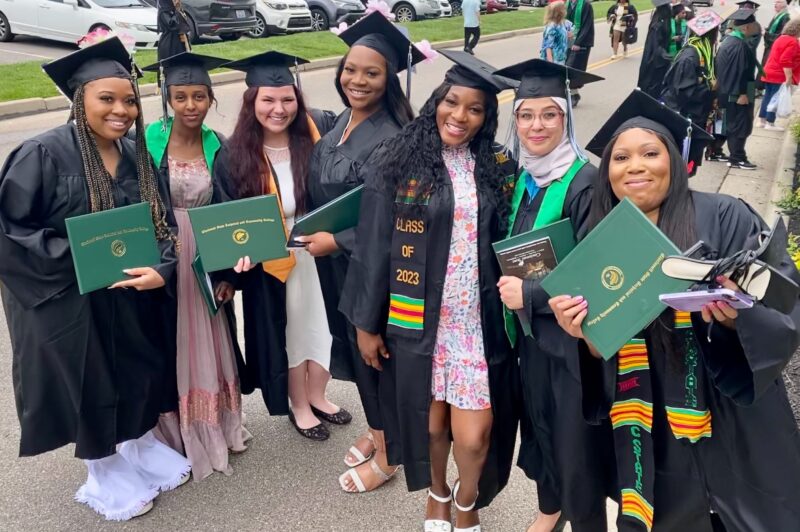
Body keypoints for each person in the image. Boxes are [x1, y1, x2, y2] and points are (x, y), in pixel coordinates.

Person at [555, 87, 800, 531]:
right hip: (651, 428)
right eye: (620, 158)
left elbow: (783, 298)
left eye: (650, 153)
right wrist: (587, 341)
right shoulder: (600, 247)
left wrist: (736, 318)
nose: (635, 167)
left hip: (731, 417)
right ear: (607, 172)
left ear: (674, 159)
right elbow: (600, 355)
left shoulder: (725, 216)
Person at [0, 36, 190, 521]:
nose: (121, 109)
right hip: (65, 301)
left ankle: (138, 444)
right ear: (79, 98)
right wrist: (84, 259)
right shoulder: (41, 154)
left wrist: (162, 269)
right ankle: (102, 468)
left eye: (129, 99)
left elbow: (161, 223)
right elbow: (11, 231)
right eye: (106, 98)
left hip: (126, 294)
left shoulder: (134, 155)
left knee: (134, 369)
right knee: (86, 380)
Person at [340, 49, 519, 532]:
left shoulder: (497, 166)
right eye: (452, 102)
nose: (459, 116)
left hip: (473, 323)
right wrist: (365, 323)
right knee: (432, 424)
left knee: (476, 434)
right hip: (415, 317)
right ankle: (438, 495)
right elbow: (374, 244)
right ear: (437, 100)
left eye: (475, 108)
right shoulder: (399, 159)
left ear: (487, 117)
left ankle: (467, 500)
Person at [491, 59, 615, 532]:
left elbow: (596, 268)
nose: (536, 126)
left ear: (567, 119)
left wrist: (531, 294)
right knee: (541, 429)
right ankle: (550, 509)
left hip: (569, 343)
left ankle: (584, 519)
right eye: (525, 115)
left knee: (573, 441)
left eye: (549, 115)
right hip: (532, 342)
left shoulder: (584, 182)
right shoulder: (525, 179)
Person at [304, 11, 424, 493]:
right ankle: (379, 431)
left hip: (376, 272)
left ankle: (391, 453)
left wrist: (337, 240)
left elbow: (406, 221)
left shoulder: (398, 138)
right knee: (356, 358)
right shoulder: (338, 127)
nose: (357, 80)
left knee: (376, 359)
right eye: (350, 69)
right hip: (338, 270)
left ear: (390, 77)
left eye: (371, 73)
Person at [219, 51, 348, 443]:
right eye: (268, 100)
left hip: (318, 253)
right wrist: (233, 255)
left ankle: (318, 394)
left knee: (323, 327)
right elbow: (225, 216)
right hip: (275, 263)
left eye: (288, 99)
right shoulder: (233, 155)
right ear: (251, 102)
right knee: (290, 333)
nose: (279, 109)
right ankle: (299, 405)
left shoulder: (316, 139)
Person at [141, 52, 252, 479]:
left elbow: (227, 214)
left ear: (210, 99)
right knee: (167, 339)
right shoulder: (148, 142)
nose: (190, 105)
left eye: (199, 96)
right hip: (164, 254)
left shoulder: (218, 145)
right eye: (181, 96)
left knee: (209, 335)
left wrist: (226, 274)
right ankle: (173, 435)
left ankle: (213, 426)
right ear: (168, 98)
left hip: (203, 255)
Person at [661, 10, 722, 175]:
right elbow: (683, 92)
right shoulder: (690, 56)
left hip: (695, 118)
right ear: (711, 34)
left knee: (689, 163)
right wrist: (711, 89)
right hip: (684, 120)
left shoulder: (703, 53)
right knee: (681, 164)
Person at [715, 9, 760, 170]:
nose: (757, 28)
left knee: (725, 123)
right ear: (747, 27)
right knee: (739, 125)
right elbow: (739, 72)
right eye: (754, 25)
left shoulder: (728, 41)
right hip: (736, 93)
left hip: (725, 90)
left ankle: (715, 151)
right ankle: (737, 158)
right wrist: (740, 93)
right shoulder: (739, 45)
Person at [758, 17, 800, 130]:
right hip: (779, 74)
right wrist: (789, 78)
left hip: (769, 72)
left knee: (767, 96)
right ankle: (770, 123)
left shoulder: (781, 38)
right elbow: (785, 60)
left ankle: (762, 121)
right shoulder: (793, 42)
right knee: (776, 98)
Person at [637, 1, 672, 99]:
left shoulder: (663, 20)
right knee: (652, 89)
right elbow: (655, 45)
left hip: (659, 62)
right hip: (654, 63)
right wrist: (666, 55)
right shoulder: (657, 25)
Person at [565, 0, 595, 106]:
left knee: (575, 68)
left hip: (582, 43)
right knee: (567, 68)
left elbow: (587, 25)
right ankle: (571, 93)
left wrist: (578, 42)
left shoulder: (586, 5)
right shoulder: (567, 4)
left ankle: (574, 94)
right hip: (569, 42)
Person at [763, 0, 790, 65]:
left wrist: (766, 34)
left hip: (774, 48)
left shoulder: (786, 17)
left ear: (784, 5)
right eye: (775, 2)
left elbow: (782, 35)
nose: (775, 4)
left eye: (778, 2)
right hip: (770, 47)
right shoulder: (777, 15)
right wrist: (767, 30)